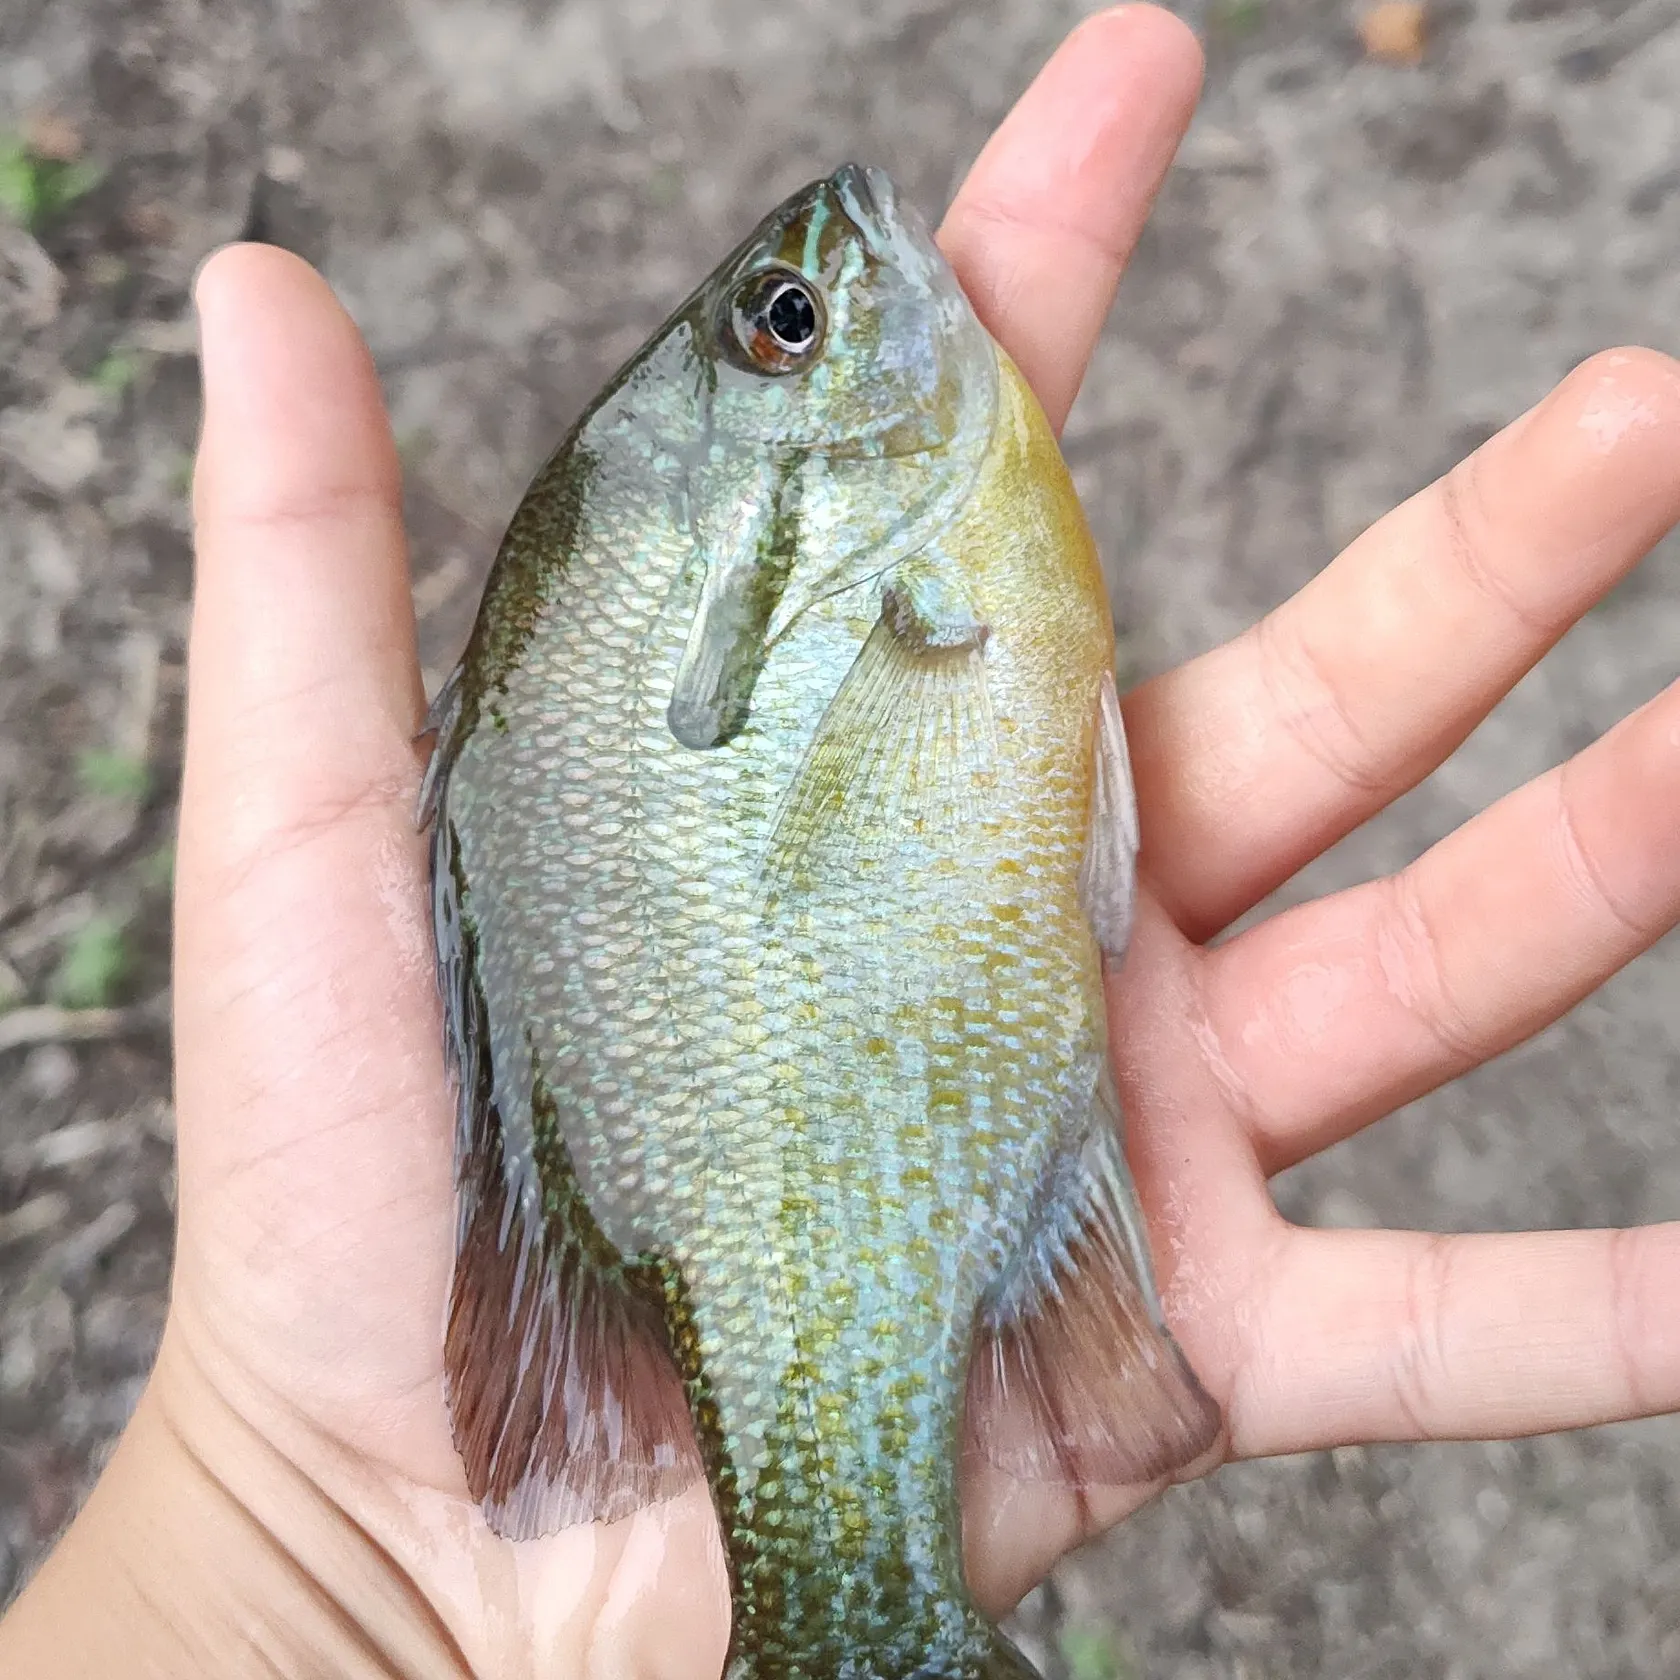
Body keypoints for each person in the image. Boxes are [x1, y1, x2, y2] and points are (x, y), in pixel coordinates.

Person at [3, 5, 1677, 1674]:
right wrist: (290, 1519)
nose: (828, 280)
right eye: (792, 325)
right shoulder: (901, 568)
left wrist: (281, 1544)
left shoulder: (904, 560)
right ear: (748, 540)